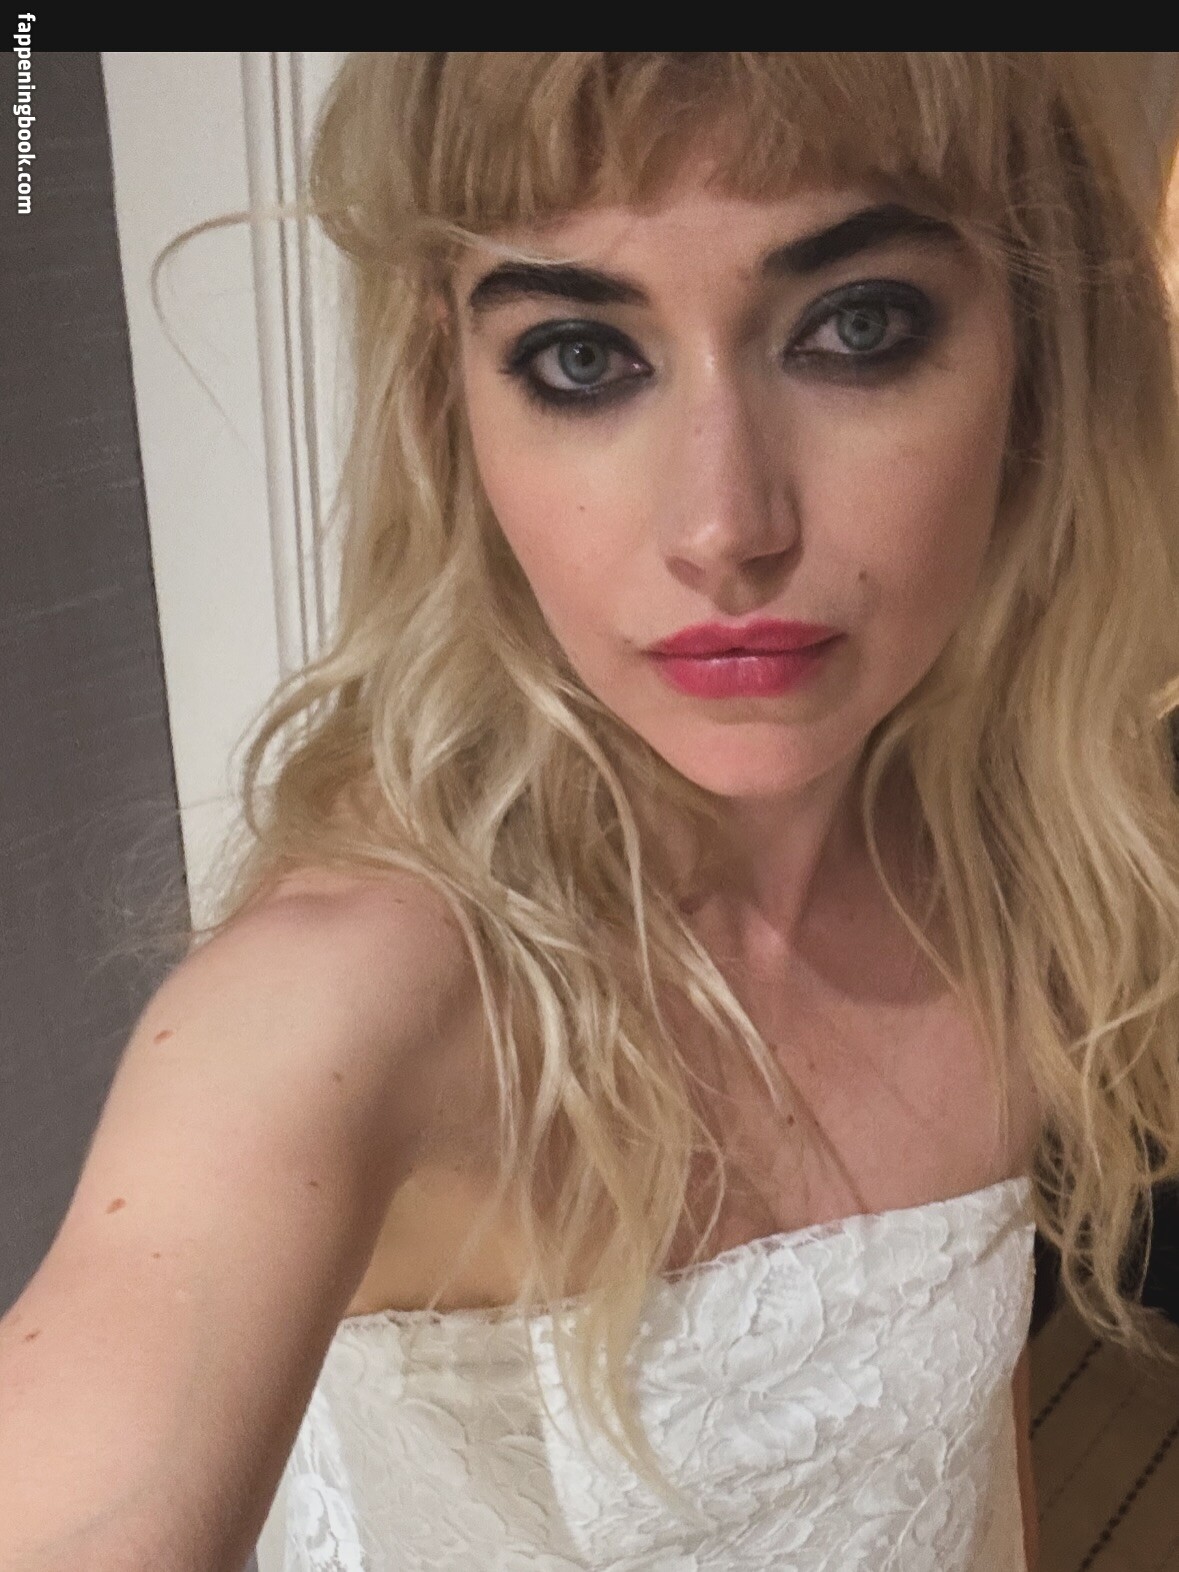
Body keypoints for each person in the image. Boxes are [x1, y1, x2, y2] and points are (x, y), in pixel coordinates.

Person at [4, 50, 1179, 1572]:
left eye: (858, 326)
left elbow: (948, 1451)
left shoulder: (1027, 857)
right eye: (579, 356)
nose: (723, 528)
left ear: (1038, 364)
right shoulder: (348, 1000)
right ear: (450, 401)